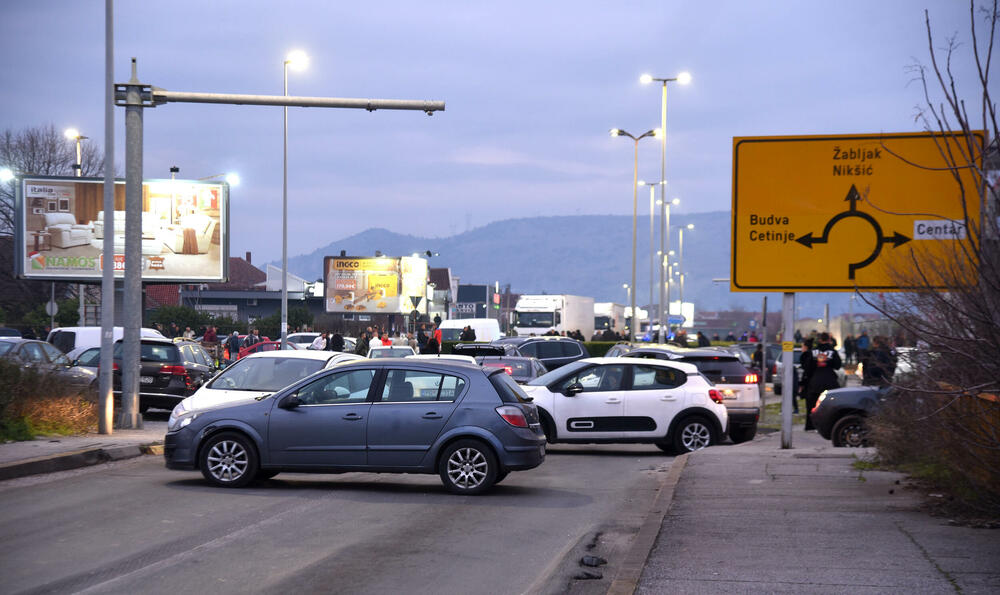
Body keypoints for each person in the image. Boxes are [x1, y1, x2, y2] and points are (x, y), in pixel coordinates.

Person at [800, 333, 841, 430]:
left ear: (819, 340)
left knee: (812, 405)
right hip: (830, 382)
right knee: (831, 405)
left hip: (815, 382)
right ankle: (830, 425)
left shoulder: (813, 351)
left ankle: (811, 426)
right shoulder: (832, 351)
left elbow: (807, 367)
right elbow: (838, 365)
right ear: (829, 339)